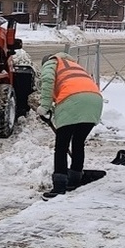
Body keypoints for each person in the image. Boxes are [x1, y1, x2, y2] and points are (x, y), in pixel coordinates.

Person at [37, 52, 104, 199]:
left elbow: (48, 81)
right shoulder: (74, 65)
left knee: (61, 145)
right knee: (78, 142)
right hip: (94, 101)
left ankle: (59, 185)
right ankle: (75, 178)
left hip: (73, 100)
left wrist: (45, 107)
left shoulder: (52, 63)